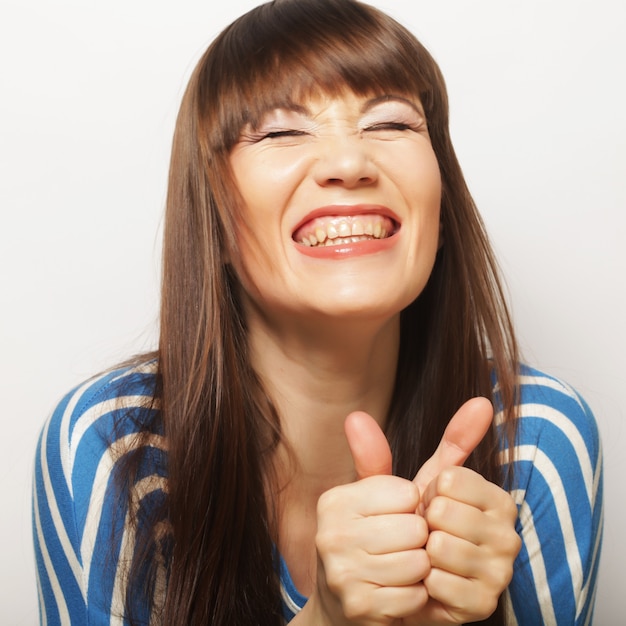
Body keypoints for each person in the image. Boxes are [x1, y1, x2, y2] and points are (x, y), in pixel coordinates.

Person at [32, 1, 603, 624]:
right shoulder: (115, 449)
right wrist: (328, 618)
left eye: (390, 124)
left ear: (440, 211)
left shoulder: (539, 441)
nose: (350, 164)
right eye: (281, 132)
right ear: (215, 222)